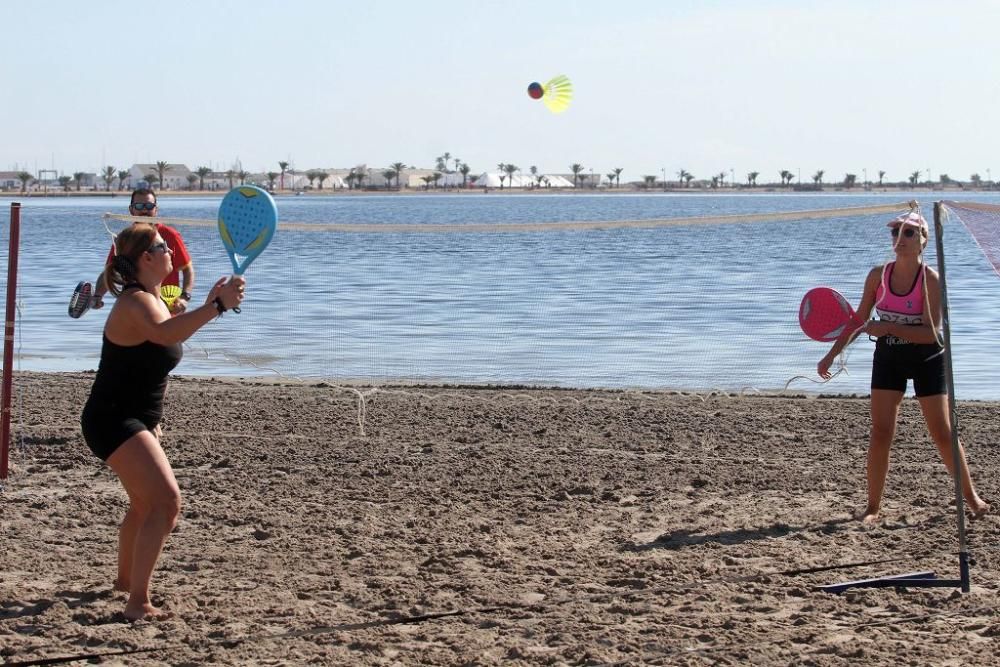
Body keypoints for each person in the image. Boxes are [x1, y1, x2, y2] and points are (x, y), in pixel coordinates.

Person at [80, 223, 245, 621]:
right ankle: (137, 603)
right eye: (162, 245)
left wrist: (209, 305)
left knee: (142, 505)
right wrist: (218, 306)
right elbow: (165, 331)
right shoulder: (135, 302)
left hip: (131, 418)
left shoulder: (153, 300)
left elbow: (169, 337)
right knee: (167, 503)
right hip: (114, 419)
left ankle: (124, 584)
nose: (171, 249)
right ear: (146, 259)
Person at [818, 211, 989, 524]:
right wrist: (831, 355)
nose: (900, 237)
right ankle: (872, 507)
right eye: (895, 230)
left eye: (909, 232)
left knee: (941, 432)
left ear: (923, 240)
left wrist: (889, 328)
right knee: (881, 432)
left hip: (926, 358)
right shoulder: (878, 276)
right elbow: (858, 320)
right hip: (889, 358)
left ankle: (972, 498)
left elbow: (934, 335)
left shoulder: (931, 280)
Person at [93, 188, 195, 314]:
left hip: (168, 308)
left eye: (149, 206)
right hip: (135, 307)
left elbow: (187, 269)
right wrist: (98, 295)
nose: (144, 210)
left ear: (156, 209)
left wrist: (185, 297)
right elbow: (110, 271)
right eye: (139, 206)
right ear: (131, 210)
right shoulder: (125, 238)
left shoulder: (170, 235)